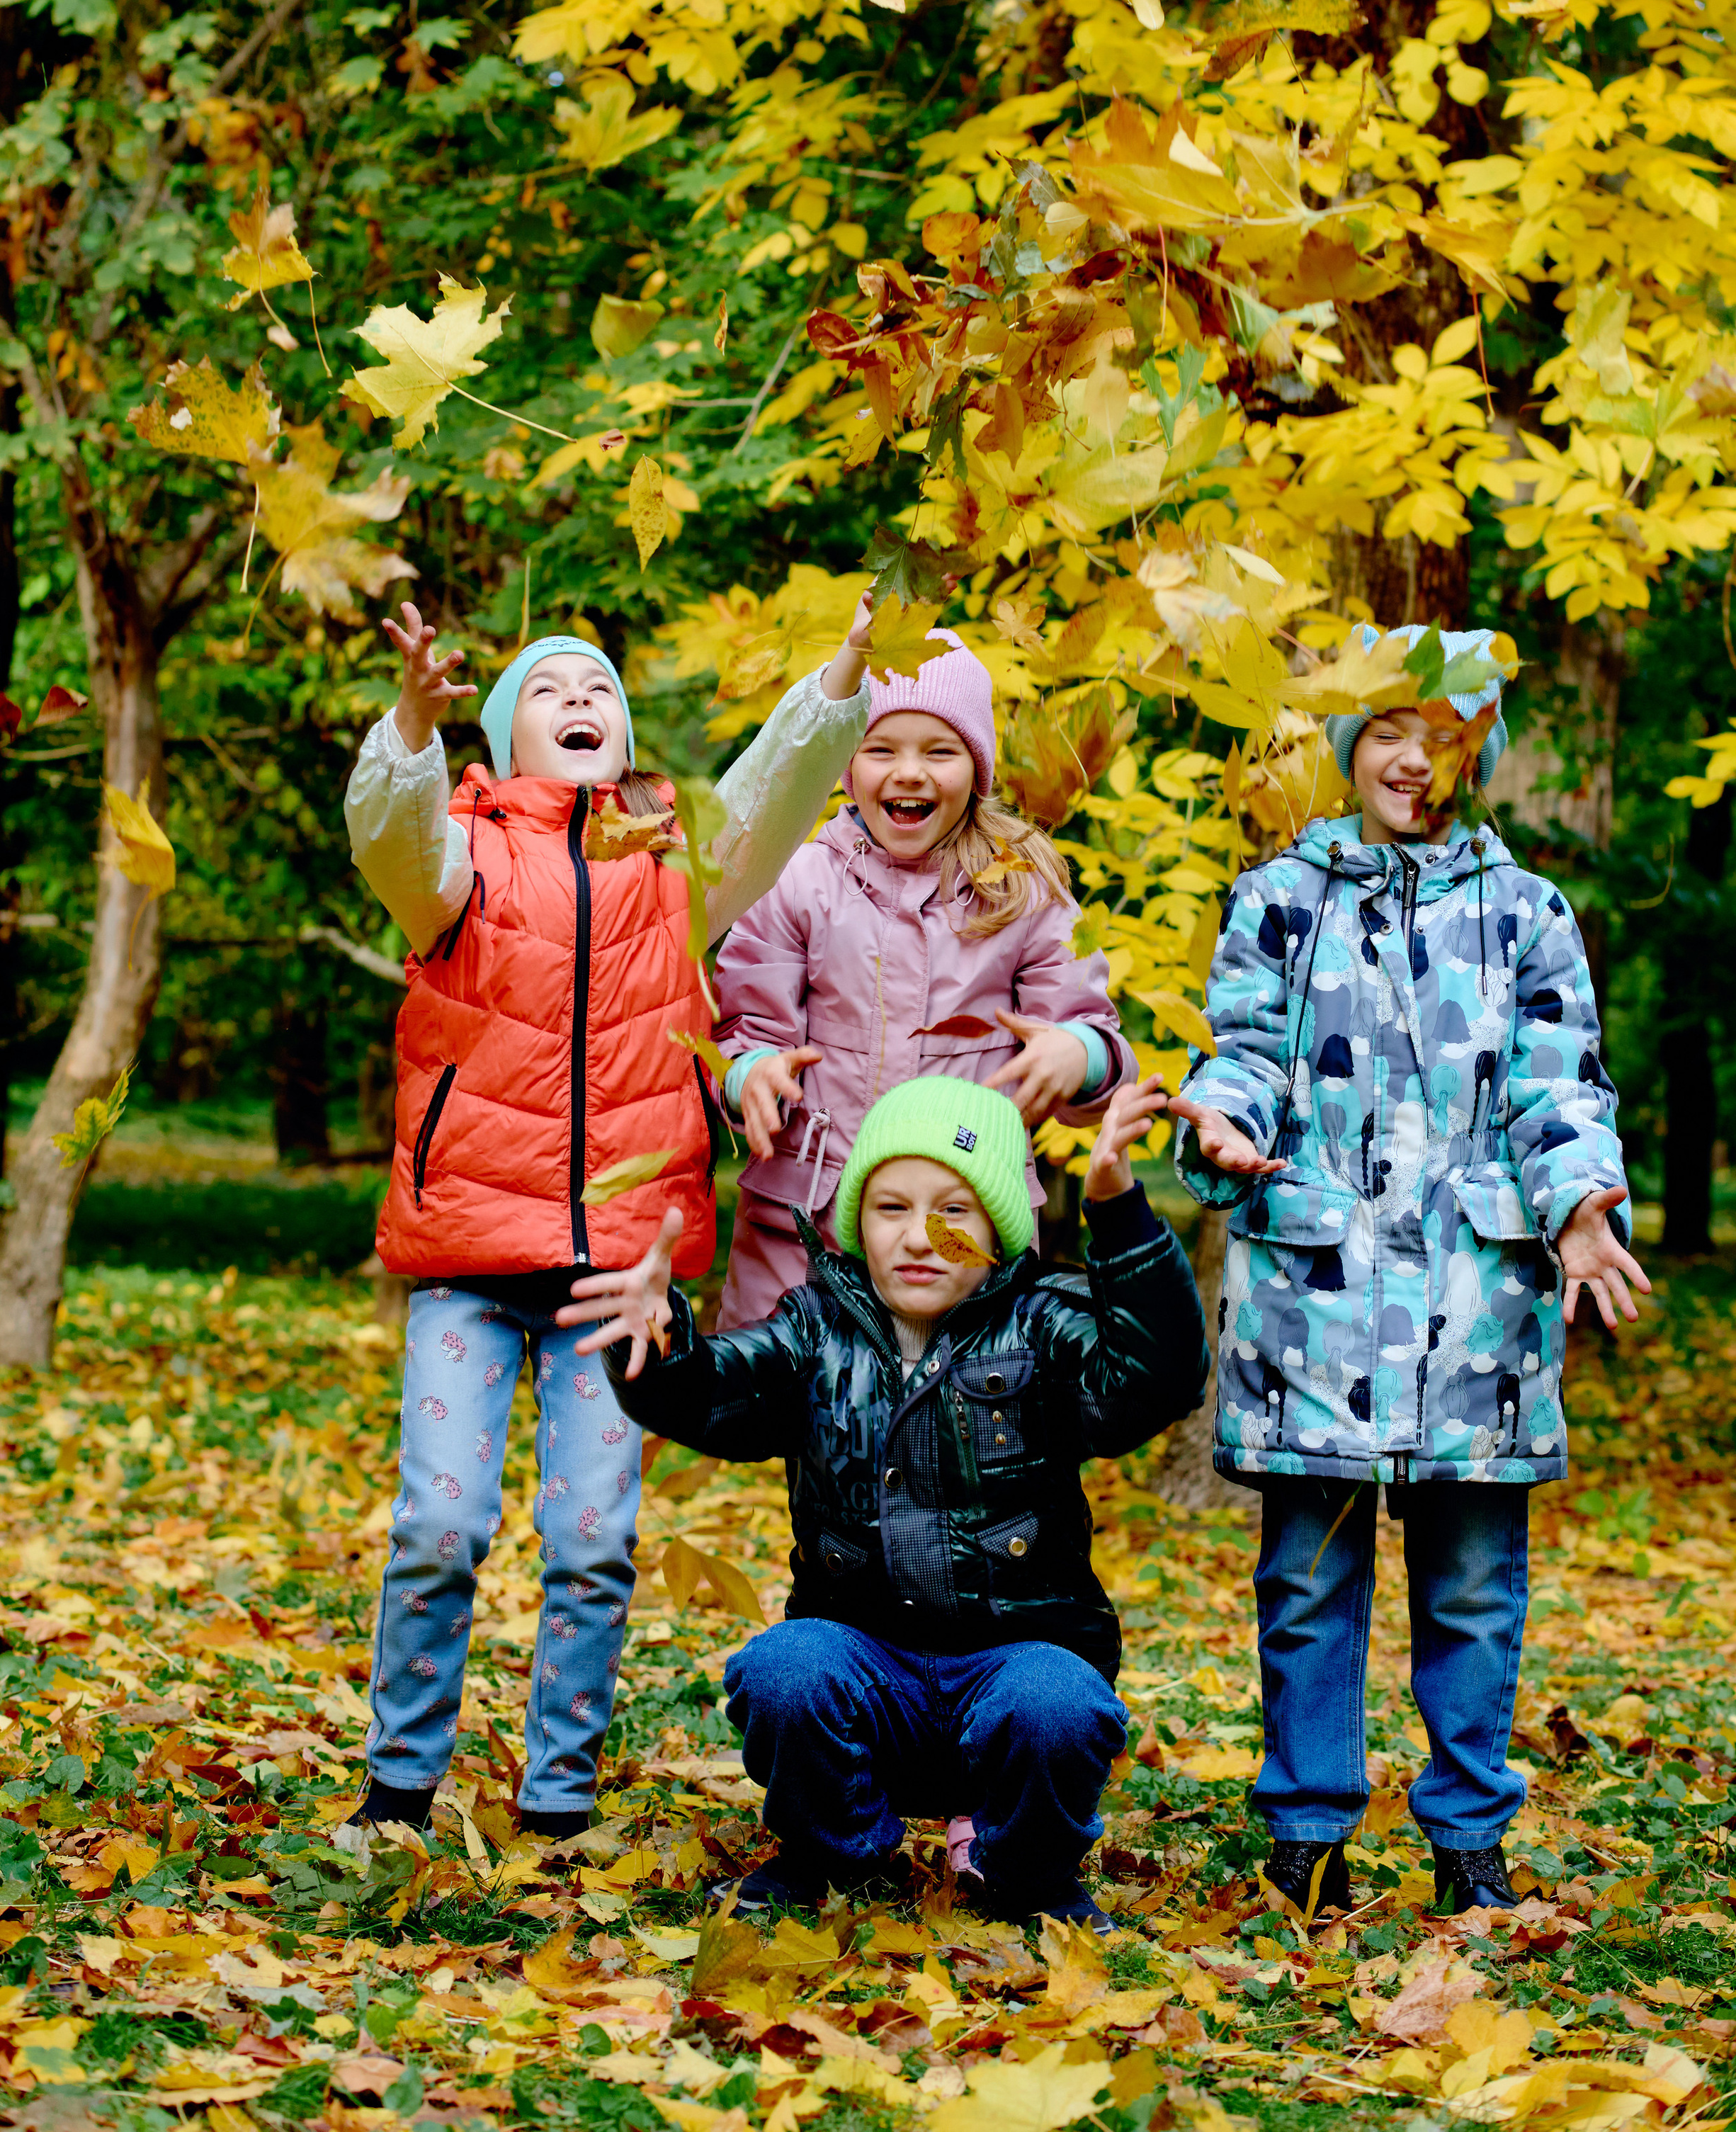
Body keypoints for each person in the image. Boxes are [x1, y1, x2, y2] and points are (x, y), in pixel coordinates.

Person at [337, 598, 874, 1841]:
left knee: (591, 1545)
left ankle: (560, 1795)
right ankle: (398, 1786)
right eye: (549, 687)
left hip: (619, 1273)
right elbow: (391, 837)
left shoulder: (677, 856)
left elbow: (781, 784)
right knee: (439, 1522)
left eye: (599, 688)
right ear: (504, 733)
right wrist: (409, 729)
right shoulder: (460, 857)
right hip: (470, 1258)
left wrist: (848, 668)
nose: (580, 700)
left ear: (622, 731)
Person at [1169, 623, 1649, 1920]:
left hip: (1477, 1318)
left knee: (1477, 1594)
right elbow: (1249, 1050)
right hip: (1313, 1310)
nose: (1413, 761)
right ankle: (1308, 1834)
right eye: (1387, 732)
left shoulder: (1529, 915)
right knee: (1309, 1583)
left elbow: (1561, 1089)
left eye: (1441, 738)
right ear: (1347, 746)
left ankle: (1467, 1840)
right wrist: (1222, 1121)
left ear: (1474, 752)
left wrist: (1584, 1207)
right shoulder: (1280, 898)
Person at [557, 1070, 1208, 1929]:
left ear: (998, 1231)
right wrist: (665, 1346)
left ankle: (1026, 1873)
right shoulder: (814, 1326)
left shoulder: (1041, 1324)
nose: (920, 1236)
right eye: (891, 1208)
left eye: (954, 1212)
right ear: (856, 1222)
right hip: (870, 1676)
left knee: (1059, 1700)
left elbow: (1154, 1381)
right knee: (785, 1669)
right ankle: (833, 1854)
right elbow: (715, 1392)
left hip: (1012, 1674)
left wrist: (1119, 1209)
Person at [712, 630, 1128, 1328]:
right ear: (846, 763)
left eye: (938, 750)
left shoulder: (1020, 888)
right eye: (881, 749)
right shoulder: (798, 878)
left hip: (960, 1237)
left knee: (951, 1422)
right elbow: (742, 1028)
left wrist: (1076, 1054)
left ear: (976, 766)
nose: (909, 772)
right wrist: (748, 1074)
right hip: (809, 1229)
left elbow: (1094, 1035)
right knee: (811, 1417)